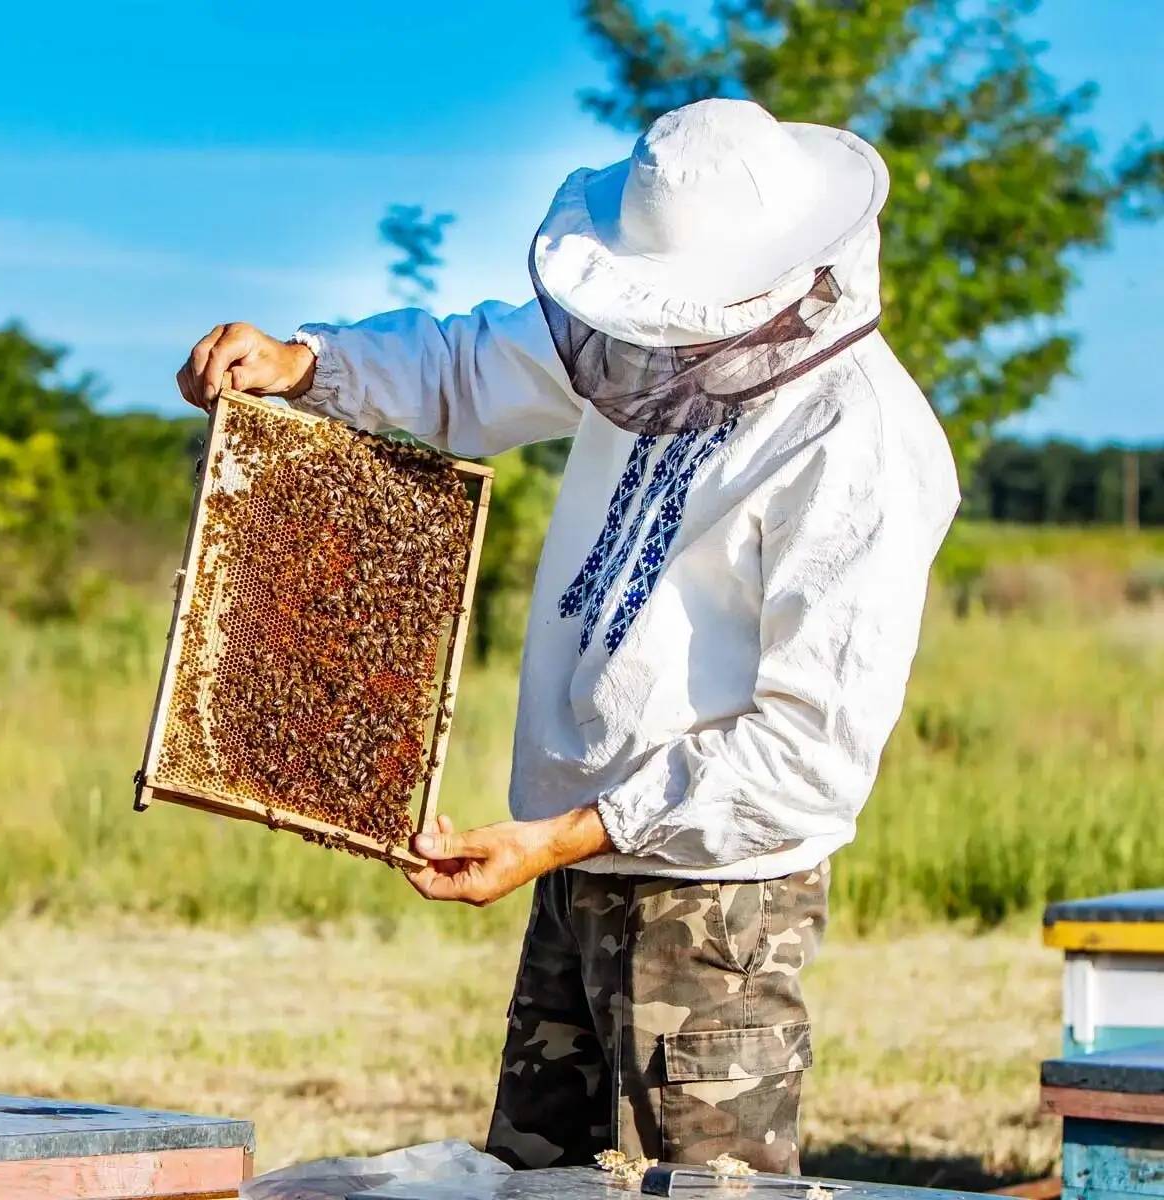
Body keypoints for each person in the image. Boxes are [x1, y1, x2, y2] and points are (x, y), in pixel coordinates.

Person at [175, 98, 960, 1174]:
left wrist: (560, 835)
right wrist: (307, 365)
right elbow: (467, 369)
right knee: (539, 1190)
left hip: (716, 905)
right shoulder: (651, 344)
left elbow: (803, 759)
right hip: (580, 860)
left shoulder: (858, 450)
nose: (643, 349)